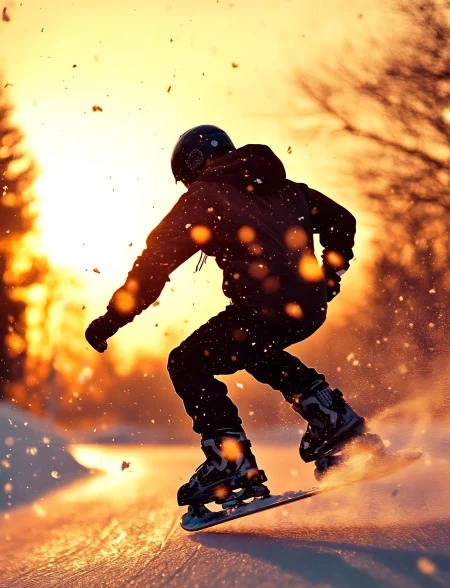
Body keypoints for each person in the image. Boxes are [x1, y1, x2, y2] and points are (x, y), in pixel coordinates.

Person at [85, 124, 368, 515]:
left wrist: (111, 319)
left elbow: (154, 264)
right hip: (308, 307)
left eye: (186, 179)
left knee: (186, 363)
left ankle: (229, 464)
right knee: (254, 350)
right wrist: (330, 277)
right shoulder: (287, 188)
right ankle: (332, 418)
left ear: (195, 165)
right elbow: (343, 222)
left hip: (263, 306)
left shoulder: (205, 196)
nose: (187, 187)